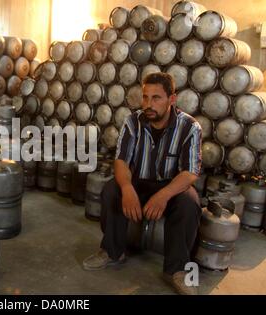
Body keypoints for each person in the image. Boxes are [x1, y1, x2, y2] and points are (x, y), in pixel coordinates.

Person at [83, 72, 203, 295]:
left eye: (156, 98)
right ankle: (112, 251)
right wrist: (127, 188)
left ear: (172, 99)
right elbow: (121, 161)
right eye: (145, 97)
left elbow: (190, 173)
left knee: (189, 203)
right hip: (138, 181)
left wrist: (164, 195)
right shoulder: (133, 122)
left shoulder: (190, 127)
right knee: (111, 190)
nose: (148, 104)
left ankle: (177, 270)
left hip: (171, 185)